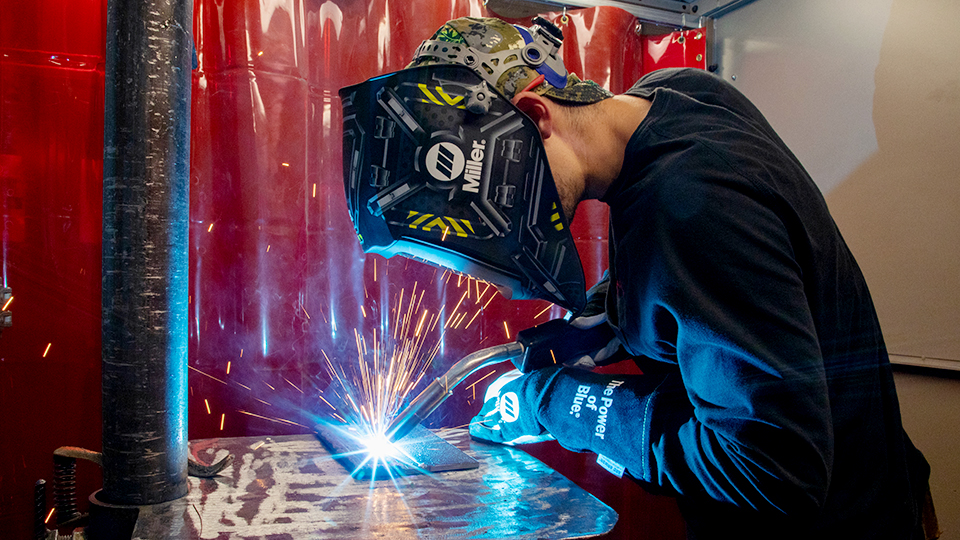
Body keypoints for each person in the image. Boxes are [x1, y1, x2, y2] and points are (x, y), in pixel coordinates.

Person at [348, 15, 936, 539]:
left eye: (489, 221)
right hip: (882, 490)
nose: (503, 273)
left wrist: (556, 404)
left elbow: (774, 474)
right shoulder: (680, 95)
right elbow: (739, 272)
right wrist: (618, 312)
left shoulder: (696, 205)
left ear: (533, 116)